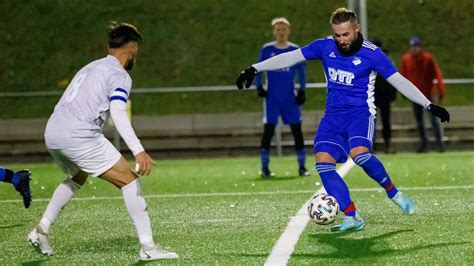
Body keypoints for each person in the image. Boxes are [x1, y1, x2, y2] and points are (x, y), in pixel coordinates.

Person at [236, 8, 450, 232]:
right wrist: (256, 68)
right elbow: (293, 56)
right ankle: (353, 217)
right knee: (323, 162)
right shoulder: (325, 46)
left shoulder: (373, 54)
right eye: (337, 35)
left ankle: (394, 193)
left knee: (360, 155)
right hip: (333, 117)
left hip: (360, 114)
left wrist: (428, 104)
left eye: (346, 34)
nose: (341, 40)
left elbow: (399, 81)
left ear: (356, 28)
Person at [27, 22, 178, 261]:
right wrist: (138, 151)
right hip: (79, 135)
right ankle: (148, 247)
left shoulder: (91, 66)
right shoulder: (119, 74)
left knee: (78, 176)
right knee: (129, 181)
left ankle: (42, 229)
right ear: (133, 49)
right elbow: (118, 113)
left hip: (53, 132)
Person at [254, 17, 309, 178]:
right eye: (278, 29)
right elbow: (258, 69)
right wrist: (258, 87)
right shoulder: (267, 49)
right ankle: (265, 168)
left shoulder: (295, 50)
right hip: (272, 99)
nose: (281, 32)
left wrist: (302, 90)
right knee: (268, 132)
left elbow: (302, 72)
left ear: (288, 31)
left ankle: (302, 167)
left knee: (297, 131)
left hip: (289, 99)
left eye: (284, 29)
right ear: (274, 32)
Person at [400, 36, 446, 152]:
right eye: (412, 47)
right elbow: (403, 76)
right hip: (415, 94)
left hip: (428, 93)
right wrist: (404, 91)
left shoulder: (428, 59)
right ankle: (424, 143)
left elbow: (437, 74)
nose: (414, 49)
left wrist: (440, 91)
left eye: (416, 46)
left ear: (420, 47)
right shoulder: (406, 60)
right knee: (419, 121)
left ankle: (439, 144)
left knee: (434, 120)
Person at [372, 39, 397, 153]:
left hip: (384, 96)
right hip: (373, 95)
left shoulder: (387, 60)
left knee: (385, 121)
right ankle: (373, 144)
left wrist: (392, 94)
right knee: (372, 121)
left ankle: (387, 143)